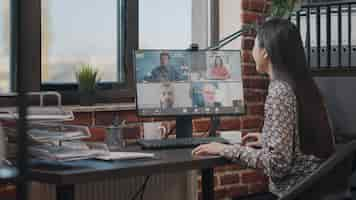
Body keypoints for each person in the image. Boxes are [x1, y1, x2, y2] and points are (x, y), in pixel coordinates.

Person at [192, 18, 335, 199]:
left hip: (294, 191)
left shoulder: (280, 91)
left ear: (265, 52)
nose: (252, 52)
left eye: (254, 45)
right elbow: (304, 140)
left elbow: (276, 164)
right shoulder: (304, 85)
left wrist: (223, 149)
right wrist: (267, 138)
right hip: (318, 189)